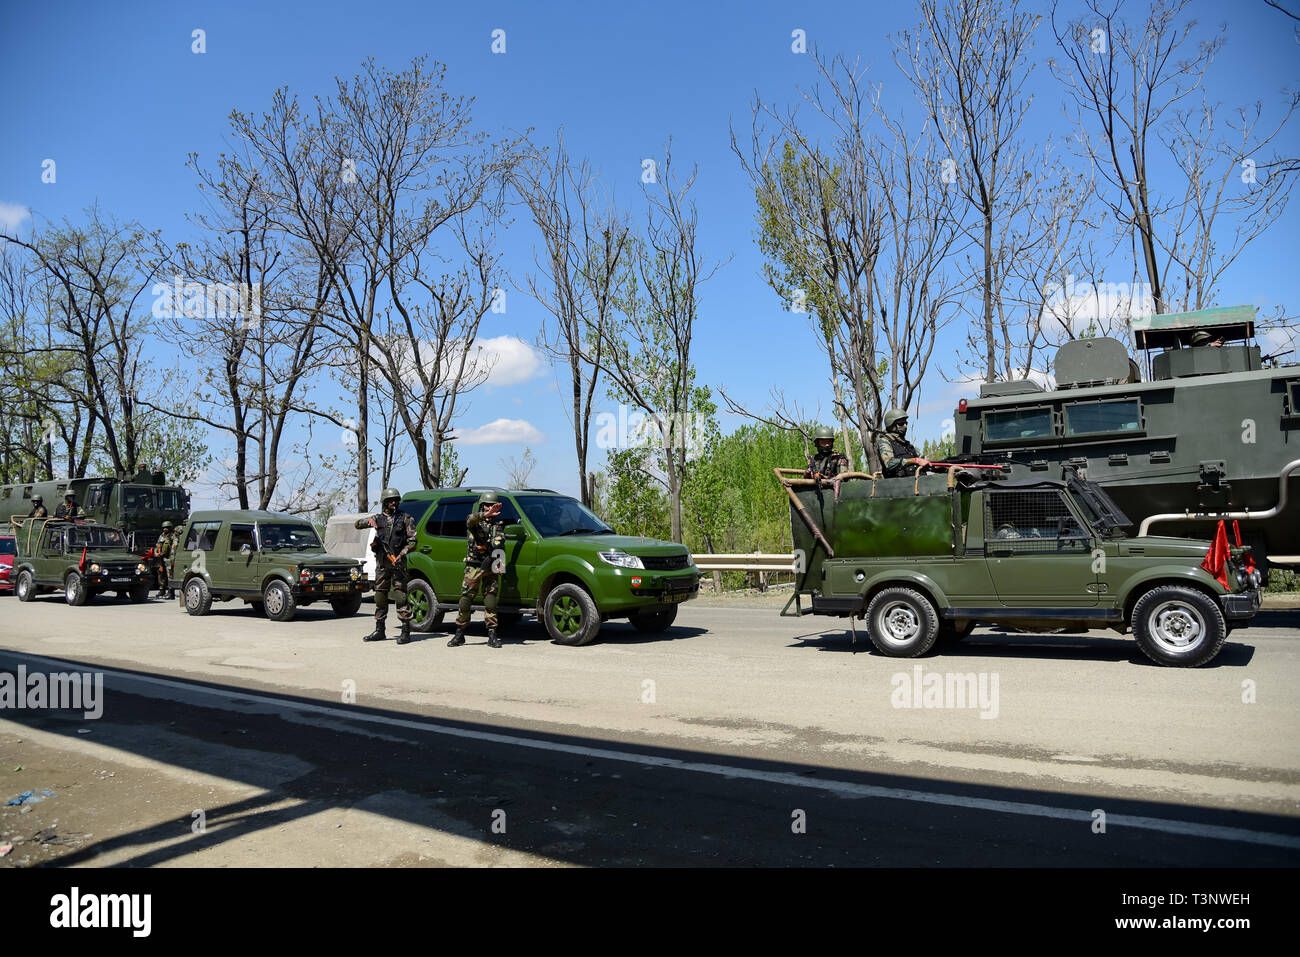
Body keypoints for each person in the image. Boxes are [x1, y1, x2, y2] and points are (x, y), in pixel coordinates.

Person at [356, 488, 418, 645]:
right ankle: (380, 630)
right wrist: (367, 522)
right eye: (391, 500)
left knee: (401, 596)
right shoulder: (378, 518)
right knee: (380, 596)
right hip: (382, 564)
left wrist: (403, 553)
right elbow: (357, 524)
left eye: (396, 500)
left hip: (398, 563)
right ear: (384, 502)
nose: (394, 503)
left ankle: (405, 631)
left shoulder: (405, 518)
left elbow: (413, 541)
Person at [449, 492, 507, 649]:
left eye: (491, 505)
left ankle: (492, 635)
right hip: (474, 566)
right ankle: (460, 634)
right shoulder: (474, 521)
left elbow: (500, 546)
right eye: (486, 505)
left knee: (491, 600)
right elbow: (470, 521)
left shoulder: (498, 526)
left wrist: (497, 564)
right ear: (482, 506)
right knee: (466, 599)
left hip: (491, 565)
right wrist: (484, 514)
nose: (489, 508)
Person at [876, 409, 927, 478]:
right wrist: (914, 460)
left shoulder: (907, 445)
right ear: (891, 425)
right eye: (901, 423)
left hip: (916, 482)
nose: (905, 426)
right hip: (897, 485)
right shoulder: (885, 441)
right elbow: (889, 464)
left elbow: (920, 462)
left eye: (906, 423)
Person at [153, 521, 175, 600]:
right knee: (161, 574)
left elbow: (174, 547)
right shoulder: (161, 536)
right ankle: (162, 590)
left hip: (169, 558)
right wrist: (156, 552)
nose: (165, 529)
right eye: (164, 528)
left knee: (170, 575)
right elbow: (157, 545)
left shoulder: (173, 536)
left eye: (167, 528)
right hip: (161, 558)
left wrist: (171, 558)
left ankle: (170, 592)